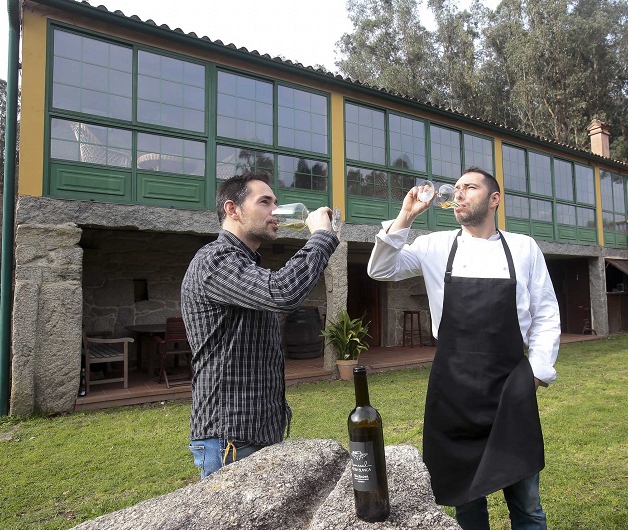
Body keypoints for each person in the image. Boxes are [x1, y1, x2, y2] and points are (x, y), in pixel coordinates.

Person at [367, 167, 560, 529]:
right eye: (456, 188)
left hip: (509, 388)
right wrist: (405, 215)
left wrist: (536, 374)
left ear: (494, 199)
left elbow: (546, 314)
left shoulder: (523, 247)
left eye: (469, 187)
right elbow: (381, 269)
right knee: (465, 499)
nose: (458, 194)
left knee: (527, 502)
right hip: (454, 390)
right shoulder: (434, 246)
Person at [181, 173, 339, 478]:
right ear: (232, 209)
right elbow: (283, 292)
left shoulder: (245, 264)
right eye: (264, 202)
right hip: (230, 439)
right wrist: (320, 236)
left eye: (276, 203)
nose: (275, 211)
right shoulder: (214, 259)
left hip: (256, 434)